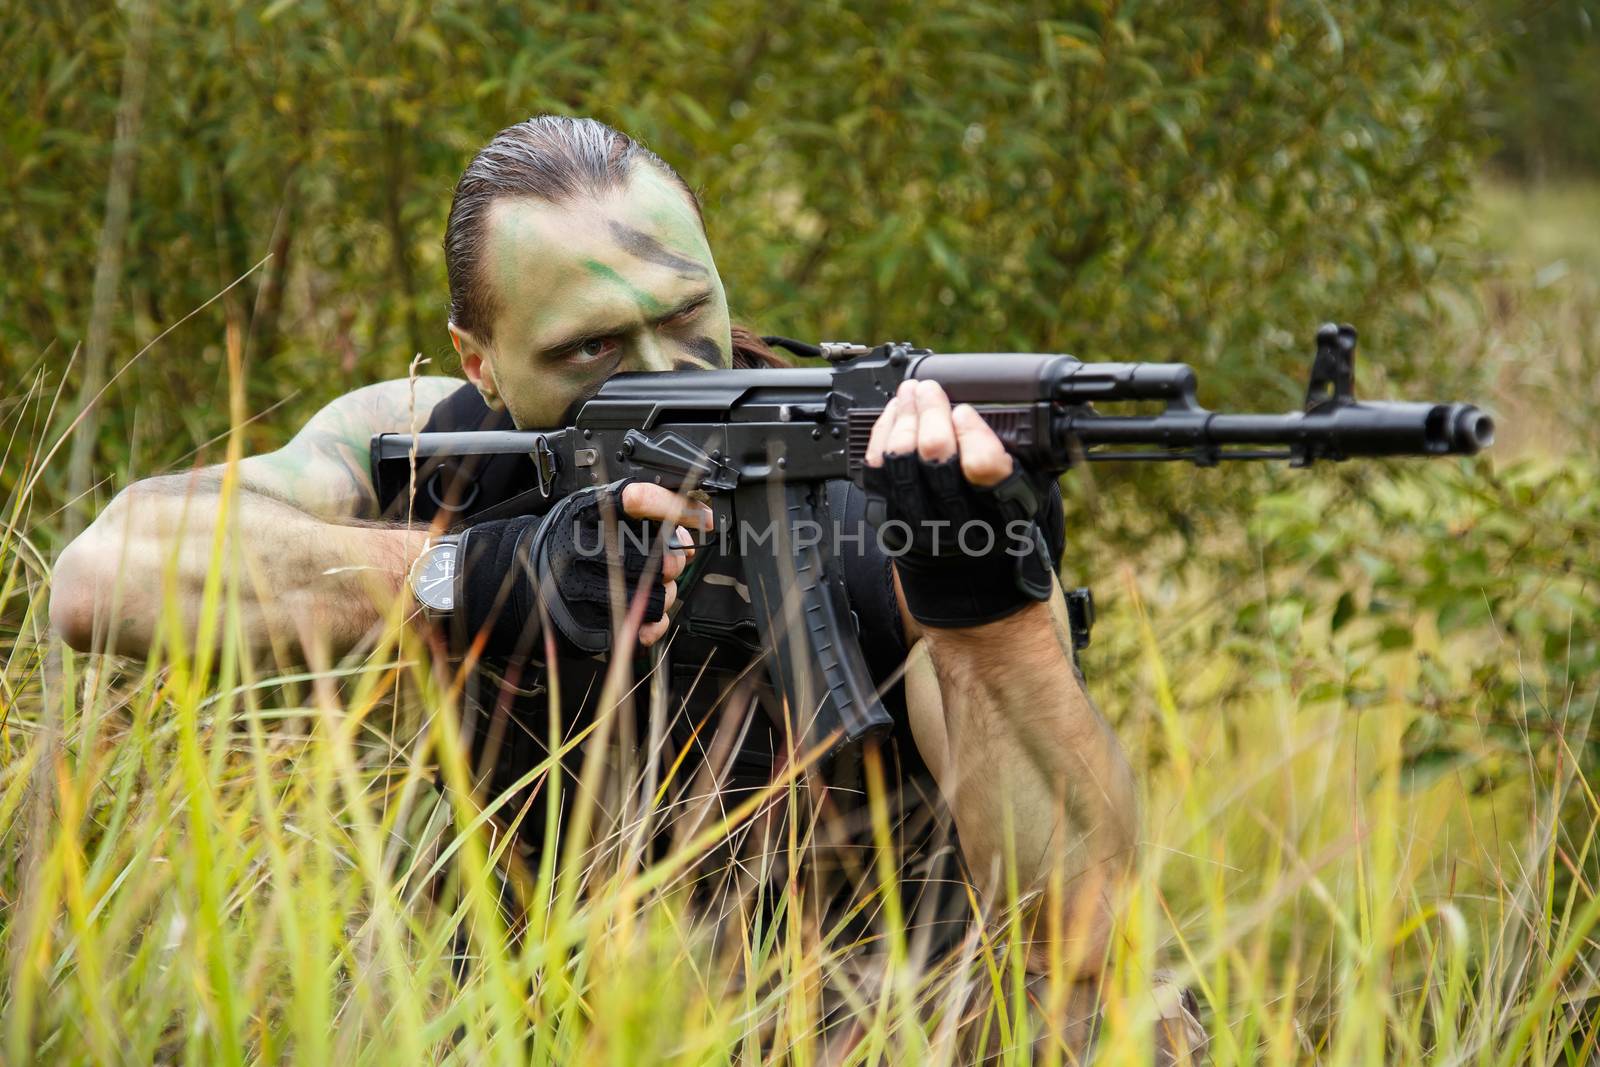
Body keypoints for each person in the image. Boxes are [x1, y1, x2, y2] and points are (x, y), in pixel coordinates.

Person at [51, 116, 1204, 1061]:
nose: (664, 376)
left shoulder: (891, 476)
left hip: (888, 1017)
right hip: (530, 1016)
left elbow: (1086, 931)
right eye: (594, 350)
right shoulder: (432, 447)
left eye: (686, 316)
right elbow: (102, 574)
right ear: (479, 360)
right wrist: (471, 573)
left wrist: (991, 621)